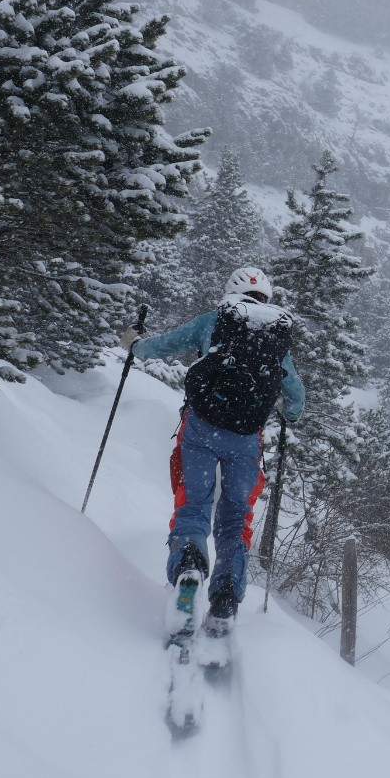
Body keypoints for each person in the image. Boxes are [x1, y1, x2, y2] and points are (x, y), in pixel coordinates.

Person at [121, 267, 305, 635]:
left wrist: (134, 344)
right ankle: (224, 598)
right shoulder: (275, 333)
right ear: (267, 297)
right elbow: (295, 393)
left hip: (201, 430)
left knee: (193, 504)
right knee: (237, 517)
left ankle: (188, 566)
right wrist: (289, 413)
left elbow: (165, 344)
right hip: (246, 440)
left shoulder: (215, 320)